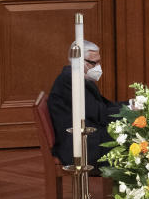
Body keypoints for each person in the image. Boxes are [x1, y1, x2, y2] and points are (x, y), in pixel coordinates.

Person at [47, 40, 122, 168]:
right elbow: (100, 115)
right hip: (78, 147)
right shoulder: (70, 80)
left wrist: (130, 106)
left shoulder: (80, 78)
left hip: (88, 138)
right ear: (78, 61)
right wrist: (129, 112)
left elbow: (104, 106)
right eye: (94, 63)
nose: (98, 67)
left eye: (99, 62)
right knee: (129, 142)